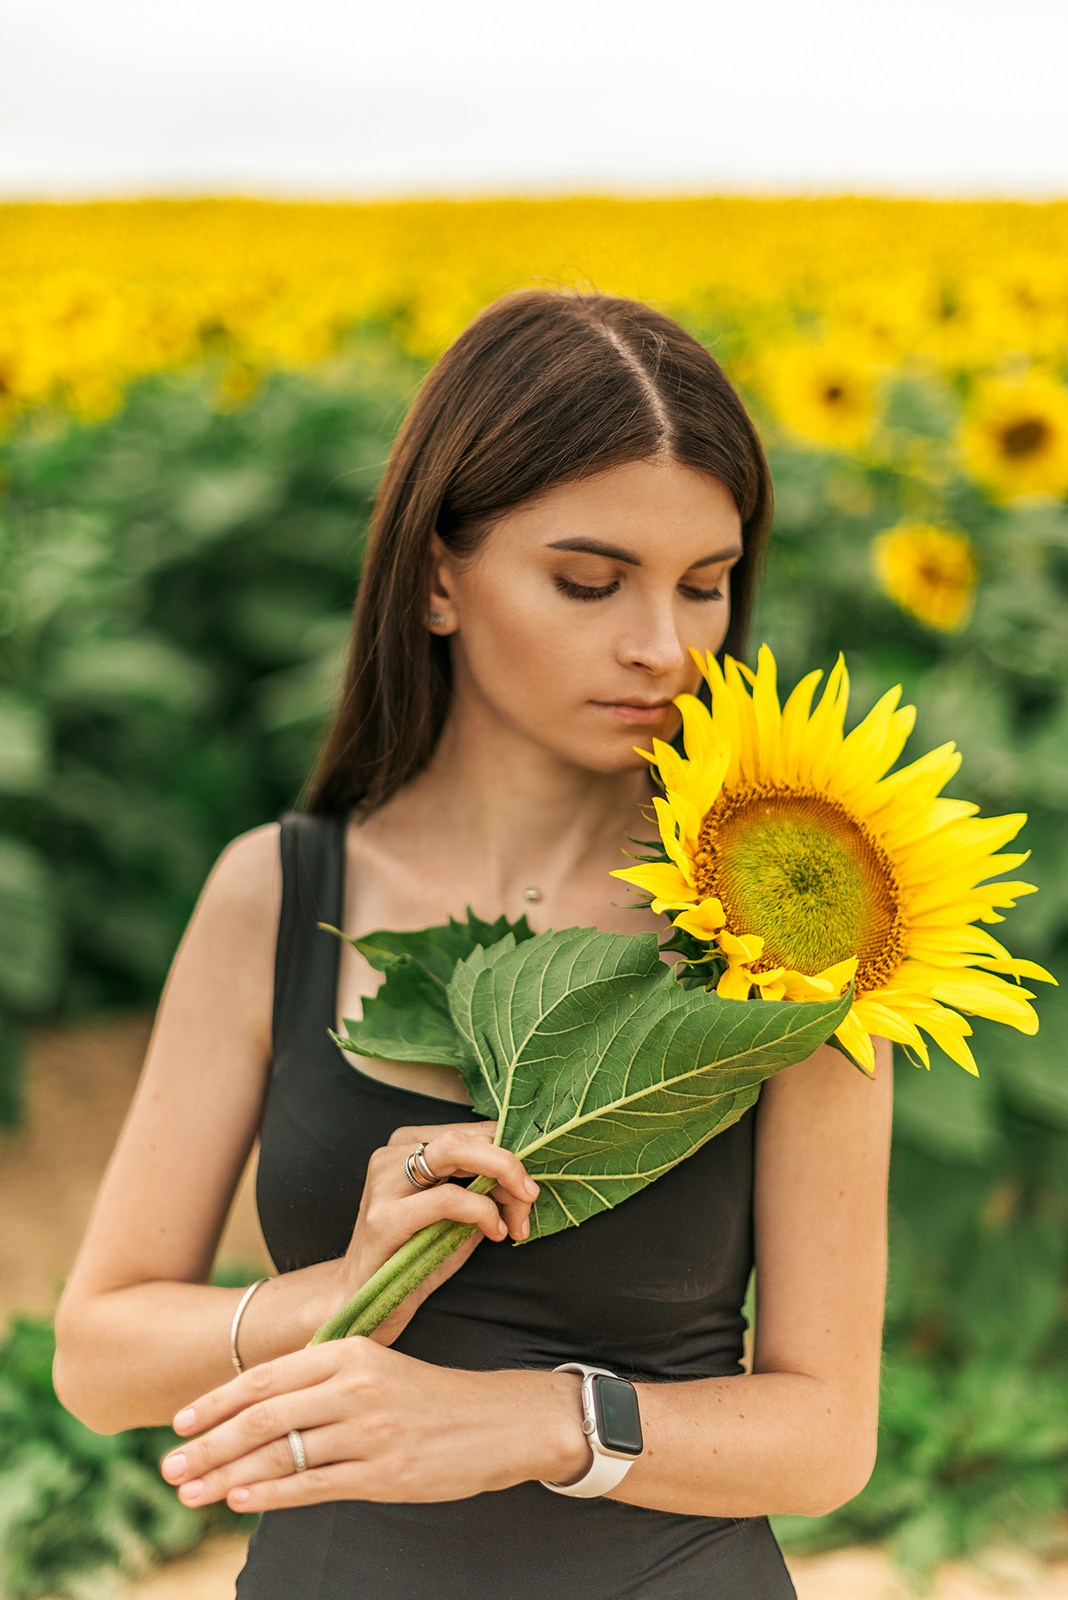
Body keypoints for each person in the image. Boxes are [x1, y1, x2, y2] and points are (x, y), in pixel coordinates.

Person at [52, 287, 894, 1599]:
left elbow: (826, 1437)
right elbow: (99, 1360)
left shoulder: (784, 919)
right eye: (586, 580)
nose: (661, 647)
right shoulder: (278, 895)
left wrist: (521, 1421)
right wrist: (346, 1289)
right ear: (440, 576)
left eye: (706, 586)